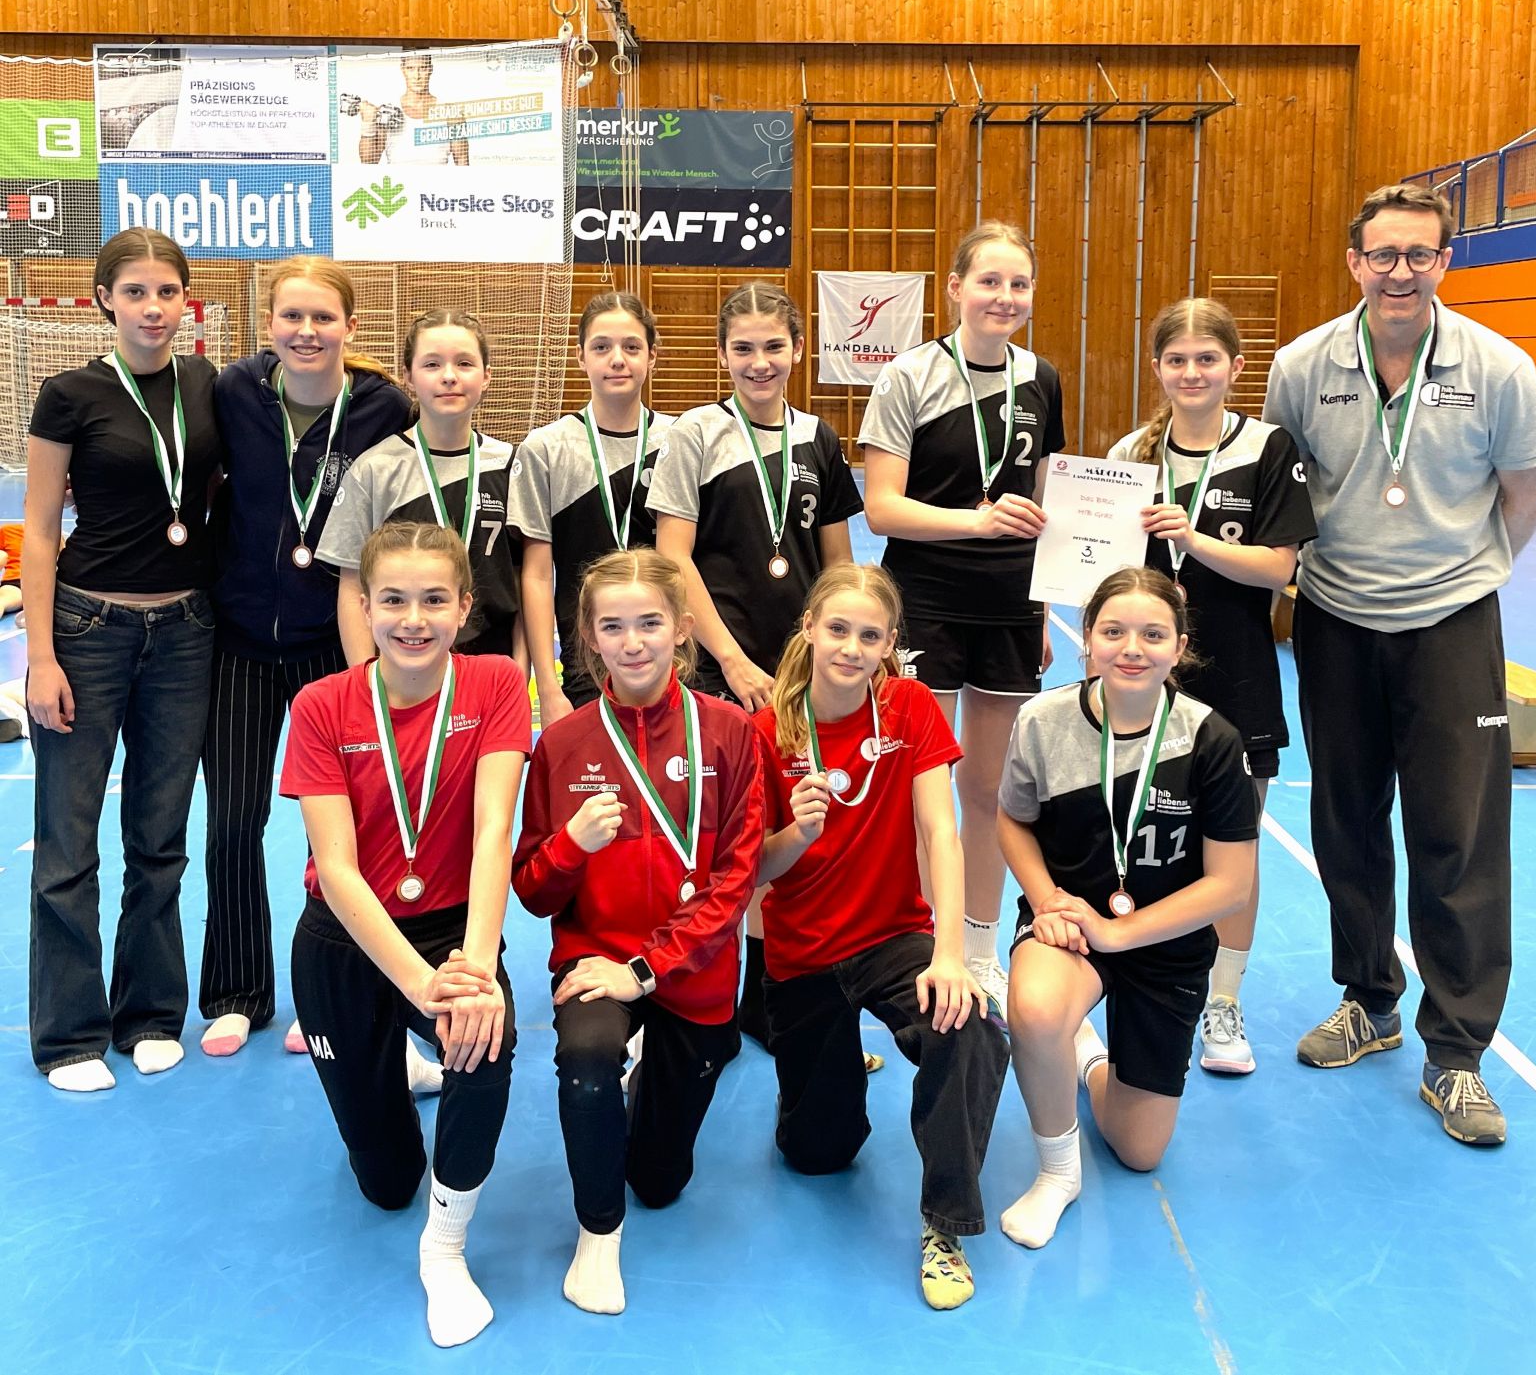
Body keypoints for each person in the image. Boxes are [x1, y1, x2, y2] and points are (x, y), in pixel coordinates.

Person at [1264, 183, 1536, 1146]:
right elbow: (1286, 486)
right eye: (1382, 255)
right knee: (1345, 817)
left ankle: (1456, 1050)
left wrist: (1464, 574)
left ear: (1443, 261)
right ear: (1354, 263)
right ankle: (1369, 1000)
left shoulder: (1498, 367)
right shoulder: (1302, 365)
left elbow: (1524, 495)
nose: (1399, 272)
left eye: (1418, 255)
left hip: (1450, 625)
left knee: (1455, 836)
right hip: (1335, 619)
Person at [281, 521, 528, 1348]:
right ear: (364, 606)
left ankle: (444, 1245)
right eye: (392, 599)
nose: (412, 619)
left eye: (432, 599)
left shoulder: (495, 683)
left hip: (450, 928)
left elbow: (493, 831)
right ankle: (400, 1052)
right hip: (347, 939)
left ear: (464, 605)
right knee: (386, 1182)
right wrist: (420, 987)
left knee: (485, 1040)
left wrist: (476, 972)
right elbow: (337, 870)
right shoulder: (322, 705)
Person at [512, 548, 762, 1316]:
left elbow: (736, 879)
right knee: (587, 1064)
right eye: (612, 626)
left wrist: (646, 970)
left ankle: (652, 1058)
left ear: (682, 627)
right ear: (588, 638)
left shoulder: (730, 732)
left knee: (659, 1181)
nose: (632, 642)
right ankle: (597, 1234)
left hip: (693, 969)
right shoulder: (562, 744)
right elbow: (531, 890)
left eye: (649, 622)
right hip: (595, 957)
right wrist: (569, 845)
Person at [754, 563, 1009, 1310]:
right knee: (818, 1155)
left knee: (971, 1027)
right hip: (803, 952)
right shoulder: (767, 729)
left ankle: (945, 1225)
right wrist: (797, 835)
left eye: (870, 635)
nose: (851, 647)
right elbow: (752, 868)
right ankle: (827, 1064)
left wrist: (952, 955)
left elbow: (940, 832)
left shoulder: (907, 707)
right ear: (809, 627)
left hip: (893, 937)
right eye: (837, 629)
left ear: (890, 642)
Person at [996, 568, 1256, 1250]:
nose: (1131, 648)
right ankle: (1057, 1173)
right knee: (1036, 1009)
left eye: (1152, 634)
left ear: (1180, 647)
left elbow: (1230, 884)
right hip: (1071, 928)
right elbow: (1012, 820)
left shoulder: (1211, 740)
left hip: (1166, 944)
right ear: (1086, 638)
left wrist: (1120, 932)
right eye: (1113, 630)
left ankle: (1089, 1062)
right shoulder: (1042, 720)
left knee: (1140, 1152)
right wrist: (1046, 899)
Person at [199, 255, 412, 1058]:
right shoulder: (234, 391)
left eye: (323, 317)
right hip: (242, 642)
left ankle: (336, 982)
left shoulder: (383, 406)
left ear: (350, 326)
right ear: (269, 324)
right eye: (292, 316)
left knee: (346, 834)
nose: (307, 331)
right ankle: (236, 991)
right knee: (233, 821)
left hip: (333, 642)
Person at [24, 229, 223, 1091]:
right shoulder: (69, 394)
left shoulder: (206, 384)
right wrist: (40, 657)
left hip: (185, 632)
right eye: (135, 292)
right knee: (68, 845)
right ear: (105, 298)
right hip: (88, 629)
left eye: (167, 292)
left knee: (159, 837)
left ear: (187, 300)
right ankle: (70, 1034)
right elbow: (39, 531)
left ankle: (149, 1014)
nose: (152, 308)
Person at [858, 220, 1066, 1022]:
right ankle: (922, 943)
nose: (1003, 297)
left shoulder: (1041, 379)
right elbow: (883, 508)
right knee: (922, 787)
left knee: (989, 786)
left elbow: (1046, 505)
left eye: (1018, 283)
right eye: (988, 281)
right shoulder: (908, 376)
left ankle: (978, 946)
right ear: (954, 288)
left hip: (1010, 604)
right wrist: (975, 521)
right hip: (925, 601)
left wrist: (1042, 604)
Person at [648, 280, 861, 1046]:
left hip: (801, 668)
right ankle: (699, 991)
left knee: (793, 826)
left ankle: (770, 1000)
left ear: (798, 349)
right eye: (743, 348)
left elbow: (838, 564)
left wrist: (849, 652)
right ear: (721, 353)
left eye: (774, 346)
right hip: (723, 665)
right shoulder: (696, 435)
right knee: (722, 831)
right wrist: (732, 662)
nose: (759, 361)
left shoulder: (819, 438)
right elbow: (673, 559)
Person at [1107, 298, 1316, 1074]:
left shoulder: (1266, 448)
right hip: (1143, 678)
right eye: (1176, 359)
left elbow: (1278, 568)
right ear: (1156, 368)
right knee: (1136, 831)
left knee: (1233, 847)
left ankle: (1221, 1003)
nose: (1191, 372)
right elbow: (1104, 570)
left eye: (1206, 358)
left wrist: (1189, 538)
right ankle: (1138, 978)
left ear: (1235, 366)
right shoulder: (1130, 454)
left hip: (1237, 674)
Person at [318, 310, 523, 670]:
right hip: (400, 666)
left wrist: (520, 672)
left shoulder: (512, 465)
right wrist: (365, 679)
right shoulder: (376, 469)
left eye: (464, 363)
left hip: (492, 667)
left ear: (486, 376)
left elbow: (524, 580)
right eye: (431, 364)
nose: (449, 376)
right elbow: (352, 588)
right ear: (408, 377)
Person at [513, 290, 672, 723]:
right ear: (581, 357)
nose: (617, 359)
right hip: (585, 663)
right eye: (601, 347)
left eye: (631, 347)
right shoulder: (546, 449)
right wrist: (548, 687)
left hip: (668, 658)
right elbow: (537, 574)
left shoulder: (680, 441)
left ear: (652, 356)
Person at [356, 51, 469, 165]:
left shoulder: (451, 112)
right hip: (397, 177)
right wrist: (368, 123)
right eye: (410, 68)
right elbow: (369, 161)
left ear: (430, 69)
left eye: (423, 68)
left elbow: (462, 160)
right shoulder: (388, 112)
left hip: (437, 176)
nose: (417, 76)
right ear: (403, 69)